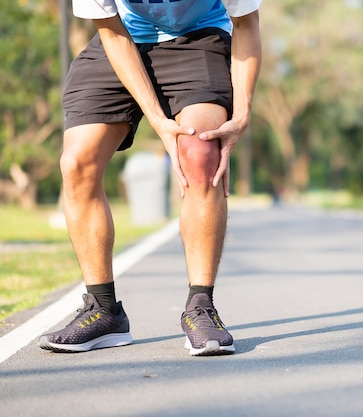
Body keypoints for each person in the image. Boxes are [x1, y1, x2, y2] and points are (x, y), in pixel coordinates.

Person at [38, 0, 262, 356]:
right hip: (123, 36)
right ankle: (103, 309)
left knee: (201, 154)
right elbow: (111, 30)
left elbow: (247, 24)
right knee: (77, 163)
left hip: (199, 37)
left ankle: (200, 306)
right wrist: (158, 122)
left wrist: (242, 115)